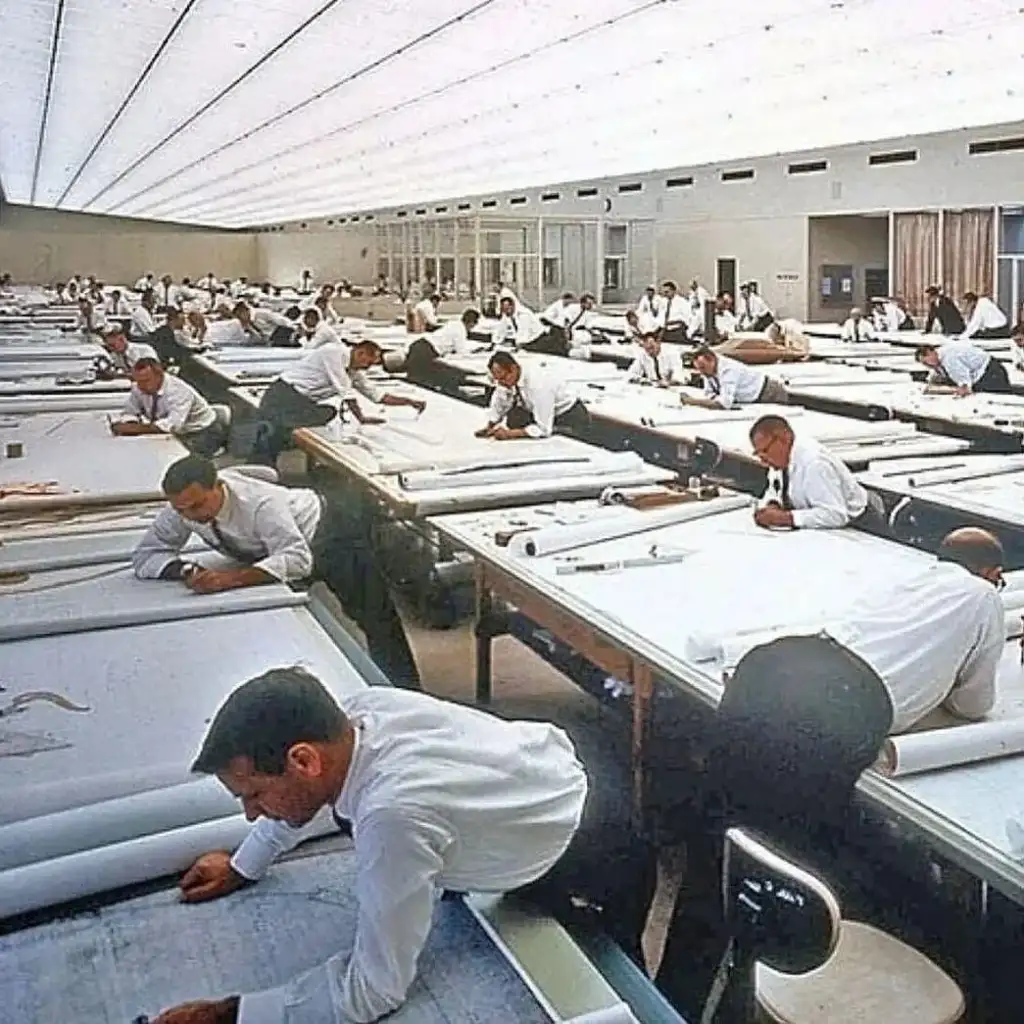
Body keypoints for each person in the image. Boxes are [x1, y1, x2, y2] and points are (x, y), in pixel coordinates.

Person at [147, 667, 655, 1024]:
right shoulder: (357, 713)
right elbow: (299, 800)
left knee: (616, 983)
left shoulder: (394, 816)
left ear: (302, 760)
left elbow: (374, 989)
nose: (251, 813)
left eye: (254, 794)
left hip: (591, 849)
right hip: (555, 765)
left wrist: (231, 1014)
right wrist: (244, 863)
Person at [133, 458, 420, 690]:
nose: (190, 516)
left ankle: (408, 694)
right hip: (271, 546)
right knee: (288, 624)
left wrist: (228, 580)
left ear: (219, 486)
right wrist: (187, 570)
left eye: (197, 506)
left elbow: (297, 559)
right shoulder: (185, 508)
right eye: (181, 510)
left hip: (329, 532)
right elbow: (147, 555)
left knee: (374, 617)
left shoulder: (259, 503)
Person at [253, 341, 426, 464]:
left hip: (301, 401)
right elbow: (346, 391)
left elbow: (377, 396)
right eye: (367, 363)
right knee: (270, 438)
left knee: (328, 412)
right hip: (283, 394)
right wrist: (362, 417)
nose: (367, 368)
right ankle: (273, 448)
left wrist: (410, 401)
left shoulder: (354, 371)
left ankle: (281, 441)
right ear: (360, 353)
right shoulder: (333, 352)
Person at [749, 414, 883, 530]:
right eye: (758, 453)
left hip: (860, 524)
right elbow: (774, 488)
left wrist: (786, 518)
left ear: (784, 439)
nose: (763, 460)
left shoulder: (815, 464)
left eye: (765, 451)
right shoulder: (779, 460)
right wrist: (773, 504)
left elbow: (835, 515)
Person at [111, 358, 227, 457]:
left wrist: (135, 429)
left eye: (146, 381)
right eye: (138, 381)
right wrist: (131, 422)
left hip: (201, 432)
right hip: (176, 433)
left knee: (173, 458)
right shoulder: (139, 387)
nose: (140, 386)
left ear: (160, 375)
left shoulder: (178, 391)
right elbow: (130, 410)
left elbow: (173, 425)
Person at [476, 351, 588, 440]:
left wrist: (511, 434)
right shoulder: (508, 379)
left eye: (503, 378)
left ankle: (560, 429)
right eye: (497, 380)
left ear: (514, 369)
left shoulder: (538, 383)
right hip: (535, 409)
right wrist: (490, 426)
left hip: (568, 416)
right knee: (514, 419)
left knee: (548, 435)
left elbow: (543, 429)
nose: (501, 383)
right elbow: (500, 401)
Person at [684, 347, 788, 409]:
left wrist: (691, 401)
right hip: (752, 398)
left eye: (703, 368)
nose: (702, 373)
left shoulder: (728, 370)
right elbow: (708, 393)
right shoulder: (709, 371)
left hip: (770, 393)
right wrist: (714, 399)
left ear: (712, 360)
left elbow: (724, 404)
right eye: (699, 369)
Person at [404, 308, 480, 385]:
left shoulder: (454, 323)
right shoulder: (461, 331)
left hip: (418, 345)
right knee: (423, 382)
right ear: (472, 323)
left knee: (414, 381)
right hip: (425, 352)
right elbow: (462, 354)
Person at [915, 341, 1011, 395]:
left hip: (991, 374)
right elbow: (934, 377)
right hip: (986, 371)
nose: (927, 365)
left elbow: (965, 388)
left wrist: (942, 390)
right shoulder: (939, 356)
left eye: (925, 361)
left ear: (931, 352)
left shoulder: (950, 360)